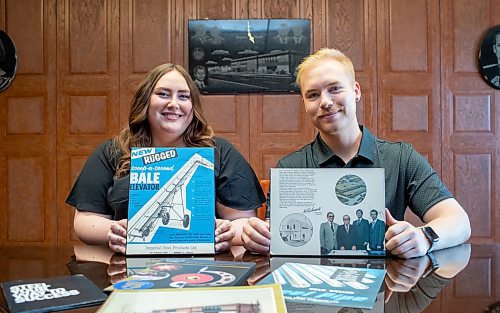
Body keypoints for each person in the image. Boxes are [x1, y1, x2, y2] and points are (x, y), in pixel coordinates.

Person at [242, 48, 471, 258]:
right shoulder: (290, 168)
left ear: (356, 91)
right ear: (304, 103)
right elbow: (275, 238)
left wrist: (424, 237)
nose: (326, 102)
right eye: (312, 95)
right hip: (312, 294)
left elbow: (459, 222)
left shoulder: (401, 158)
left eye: (335, 89)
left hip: (385, 291)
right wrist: (258, 238)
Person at [66, 63, 266, 254]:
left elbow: (244, 222)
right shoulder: (113, 151)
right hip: (127, 271)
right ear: (145, 101)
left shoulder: (218, 152)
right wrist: (112, 230)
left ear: (193, 106)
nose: (174, 104)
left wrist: (229, 233)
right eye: (163, 94)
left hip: (204, 272)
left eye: (183, 96)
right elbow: (85, 220)